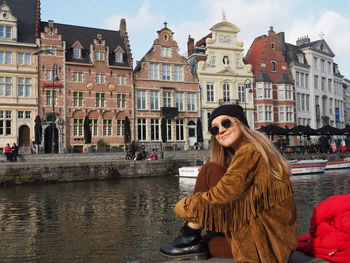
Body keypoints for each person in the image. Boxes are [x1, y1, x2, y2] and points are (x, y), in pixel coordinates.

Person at [159, 104, 297, 262]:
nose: (221, 130)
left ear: (241, 123)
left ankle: (190, 234)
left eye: (226, 123)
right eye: (215, 129)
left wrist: (184, 208)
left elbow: (222, 195)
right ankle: (191, 236)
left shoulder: (250, 151)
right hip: (275, 242)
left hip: (264, 247)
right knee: (211, 171)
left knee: (209, 169)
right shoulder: (254, 150)